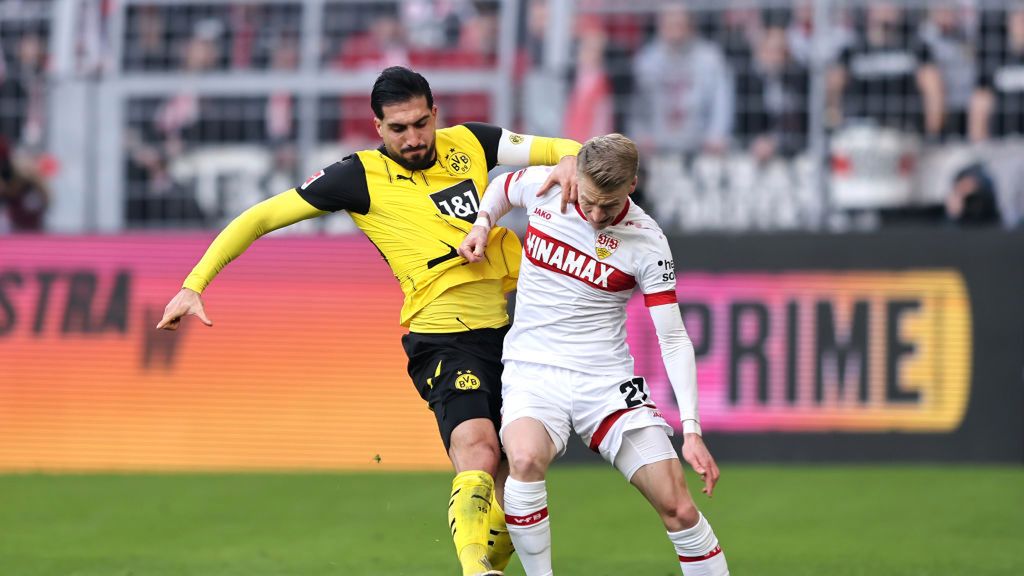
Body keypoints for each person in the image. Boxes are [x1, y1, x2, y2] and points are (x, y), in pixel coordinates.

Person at [156, 66, 582, 576]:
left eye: (421, 124)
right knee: (479, 448)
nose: (413, 138)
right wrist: (194, 284)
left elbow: (563, 147)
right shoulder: (357, 176)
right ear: (377, 127)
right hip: (442, 339)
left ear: (435, 114)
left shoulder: (472, 142)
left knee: (521, 473)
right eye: (398, 129)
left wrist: (575, 162)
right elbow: (261, 217)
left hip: (514, 336)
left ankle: (485, 562)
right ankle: (475, 571)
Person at [459, 134, 728, 575]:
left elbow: (674, 338)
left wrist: (693, 430)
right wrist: (482, 224)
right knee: (523, 459)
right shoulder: (548, 186)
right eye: (589, 202)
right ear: (577, 176)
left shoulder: (647, 241)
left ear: (633, 185)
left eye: (609, 205)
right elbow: (502, 188)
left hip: (605, 383)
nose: (596, 215)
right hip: (533, 371)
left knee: (678, 506)